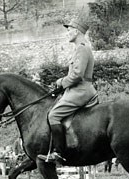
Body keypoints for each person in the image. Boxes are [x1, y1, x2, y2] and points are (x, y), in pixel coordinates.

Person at [37, 18, 98, 163]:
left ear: (76, 32)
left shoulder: (82, 49)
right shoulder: (80, 48)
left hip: (80, 90)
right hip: (75, 90)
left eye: (69, 30)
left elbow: (77, 76)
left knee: (53, 116)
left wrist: (60, 82)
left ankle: (58, 152)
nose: (67, 33)